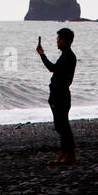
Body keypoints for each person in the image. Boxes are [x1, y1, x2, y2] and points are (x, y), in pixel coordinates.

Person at [36, 27, 77, 165]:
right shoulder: (67, 55)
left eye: (58, 39)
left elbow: (52, 68)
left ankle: (69, 154)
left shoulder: (68, 56)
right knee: (61, 125)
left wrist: (42, 54)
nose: (57, 41)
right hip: (60, 94)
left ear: (64, 40)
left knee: (63, 126)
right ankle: (64, 152)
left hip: (61, 94)